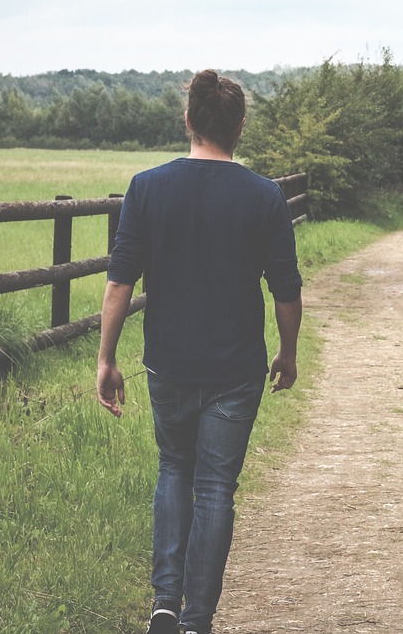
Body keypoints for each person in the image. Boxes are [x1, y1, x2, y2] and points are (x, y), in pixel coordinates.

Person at [96, 69, 303, 634]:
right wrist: (286, 352)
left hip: (168, 361)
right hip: (237, 368)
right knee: (215, 487)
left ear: (188, 120)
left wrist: (105, 357)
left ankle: (164, 605)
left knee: (173, 469)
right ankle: (196, 620)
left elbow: (120, 280)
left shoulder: (147, 187)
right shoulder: (265, 196)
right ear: (239, 126)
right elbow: (286, 287)